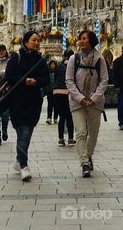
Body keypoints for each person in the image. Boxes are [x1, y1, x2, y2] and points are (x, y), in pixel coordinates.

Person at [2, 30, 50, 181]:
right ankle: (24, 166)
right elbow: (9, 76)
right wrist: (24, 81)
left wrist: (36, 82)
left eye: (38, 40)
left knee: (27, 134)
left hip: (34, 101)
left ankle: (18, 160)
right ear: (25, 42)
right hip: (17, 101)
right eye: (34, 40)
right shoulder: (16, 57)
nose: (36, 42)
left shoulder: (41, 60)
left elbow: (47, 79)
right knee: (22, 133)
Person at [66, 30, 109, 178]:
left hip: (94, 102)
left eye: (84, 38)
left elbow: (104, 80)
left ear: (91, 41)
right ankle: (84, 162)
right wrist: (80, 98)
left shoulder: (99, 58)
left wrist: (94, 98)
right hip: (77, 102)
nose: (81, 41)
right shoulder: (74, 58)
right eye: (80, 38)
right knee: (81, 132)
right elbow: (69, 81)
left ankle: (88, 155)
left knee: (94, 132)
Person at [52, 50, 75, 146]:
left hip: (57, 92)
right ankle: (70, 139)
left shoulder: (59, 66)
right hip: (68, 92)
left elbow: (56, 77)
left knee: (62, 117)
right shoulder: (73, 65)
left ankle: (61, 139)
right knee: (69, 117)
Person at [45, 59, 58, 124]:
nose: (52, 65)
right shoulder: (47, 73)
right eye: (51, 64)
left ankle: (55, 118)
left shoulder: (57, 72)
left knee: (56, 105)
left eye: (53, 64)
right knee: (50, 104)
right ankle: (49, 118)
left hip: (56, 90)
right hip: (49, 90)